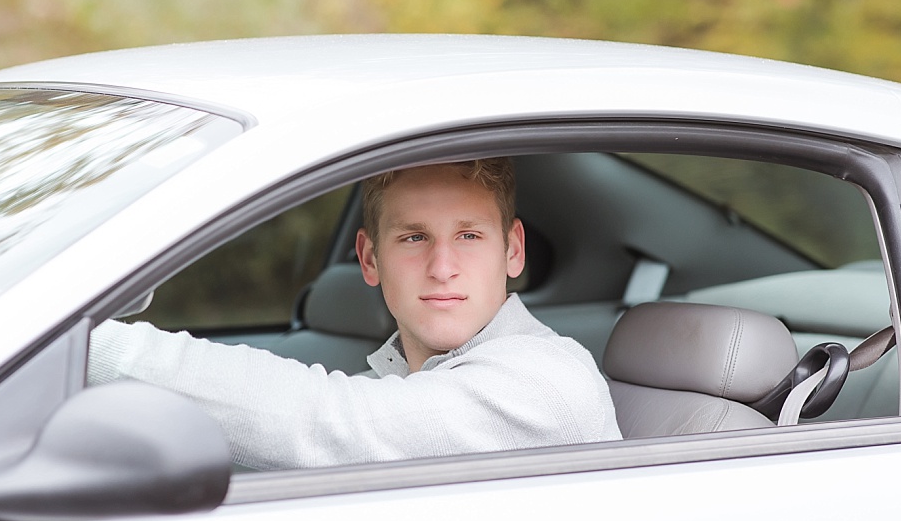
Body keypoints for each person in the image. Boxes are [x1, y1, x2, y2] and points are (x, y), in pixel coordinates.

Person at [87, 158, 622, 469]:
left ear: (513, 250)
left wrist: (86, 345)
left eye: (468, 236)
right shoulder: (399, 384)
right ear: (370, 258)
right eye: (414, 237)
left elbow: (324, 422)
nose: (442, 266)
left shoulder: (544, 383)